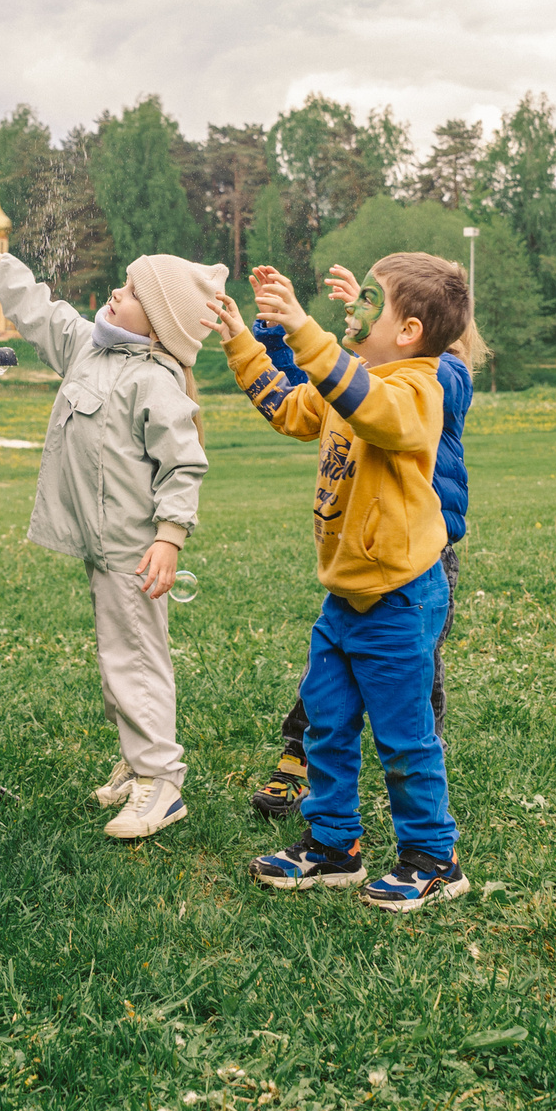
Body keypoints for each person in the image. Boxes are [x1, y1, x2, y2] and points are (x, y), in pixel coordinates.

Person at [0, 192, 215, 841]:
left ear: (158, 323)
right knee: (116, 654)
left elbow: (184, 465)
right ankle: (137, 755)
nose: (115, 293)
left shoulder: (155, 380)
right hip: (102, 545)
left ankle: (161, 783)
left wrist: (170, 537)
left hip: (134, 548)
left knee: (137, 657)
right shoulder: (87, 347)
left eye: (130, 291)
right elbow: (34, 304)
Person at [214, 255, 472, 911]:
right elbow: (286, 407)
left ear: (409, 330)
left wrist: (304, 327)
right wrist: (242, 339)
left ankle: (432, 857)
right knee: (325, 725)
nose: (350, 311)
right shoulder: (354, 379)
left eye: (368, 302)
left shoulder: (417, 389)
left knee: (405, 736)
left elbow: (367, 402)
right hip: (344, 596)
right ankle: (334, 846)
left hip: (400, 597)